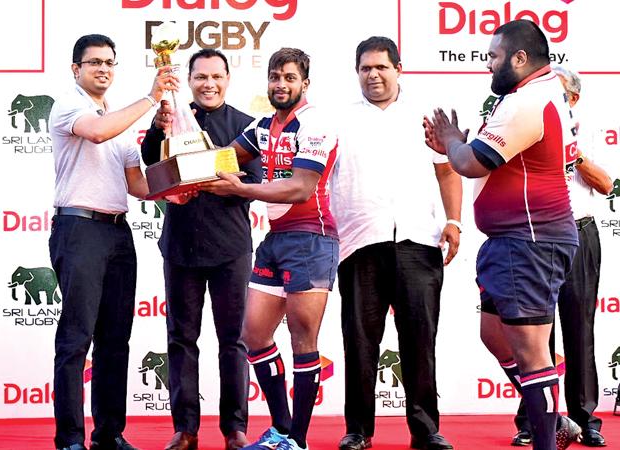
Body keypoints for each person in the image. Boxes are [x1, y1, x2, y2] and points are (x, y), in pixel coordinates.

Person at [424, 20, 584, 450]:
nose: (489, 66)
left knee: (532, 352)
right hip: (518, 240)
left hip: (529, 240)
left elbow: (473, 162)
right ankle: (554, 418)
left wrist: (453, 140)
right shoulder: (535, 93)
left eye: (494, 57)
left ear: (519, 58)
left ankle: (547, 437)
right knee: (494, 335)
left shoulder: (527, 101)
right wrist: (456, 145)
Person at [200, 47, 339, 450]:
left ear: (304, 83)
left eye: (290, 78)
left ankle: (298, 439)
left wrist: (242, 188)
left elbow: (299, 187)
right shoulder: (264, 126)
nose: (281, 85)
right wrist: (180, 164)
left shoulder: (315, 123)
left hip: (312, 237)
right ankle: (281, 427)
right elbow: (223, 158)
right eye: (275, 77)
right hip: (276, 240)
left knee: (302, 340)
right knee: (255, 333)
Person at [332, 36, 461, 450]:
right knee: (359, 341)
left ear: (399, 69)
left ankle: (425, 430)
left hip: (418, 242)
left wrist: (454, 220)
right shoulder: (337, 120)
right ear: (356, 73)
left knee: (420, 340)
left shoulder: (425, 116)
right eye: (365, 68)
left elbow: (447, 171)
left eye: (381, 67)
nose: (373, 75)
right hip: (359, 242)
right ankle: (358, 431)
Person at [48, 34, 176, 450]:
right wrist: (150, 98)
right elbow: (98, 133)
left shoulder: (116, 119)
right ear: (76, 69)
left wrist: (177, 186)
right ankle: (69, 438)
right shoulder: (70, 105)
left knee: (115, 338)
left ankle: (108, 434)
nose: (103, 69)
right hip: (79, 228)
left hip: (118, 231)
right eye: (94, 62)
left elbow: (138, 184)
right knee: (76, 337)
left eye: (109, 62)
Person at [140, 48, 259, 450]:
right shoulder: (172, 119)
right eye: (200, 77)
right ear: (189, 80)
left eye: (216, 76)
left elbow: (254, 182)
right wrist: (159, 130)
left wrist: (214, 177)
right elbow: (151, 169)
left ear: (228, 79)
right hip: (180, 247)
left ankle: (235, 429)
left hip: (231, 249)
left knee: (234, 340)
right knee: (181, 338)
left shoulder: (247, 126)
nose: (209, 84)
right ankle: (185, 429)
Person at [509, 66, 613, 448]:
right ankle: (533, 419)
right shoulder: (527, 125)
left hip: (580, 233)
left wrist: (574, 153)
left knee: (579, 327)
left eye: (557, 90)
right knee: (534, 332)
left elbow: (606, 184)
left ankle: (586, 418)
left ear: (573, 98)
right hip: (537, 237)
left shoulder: (589, 130)